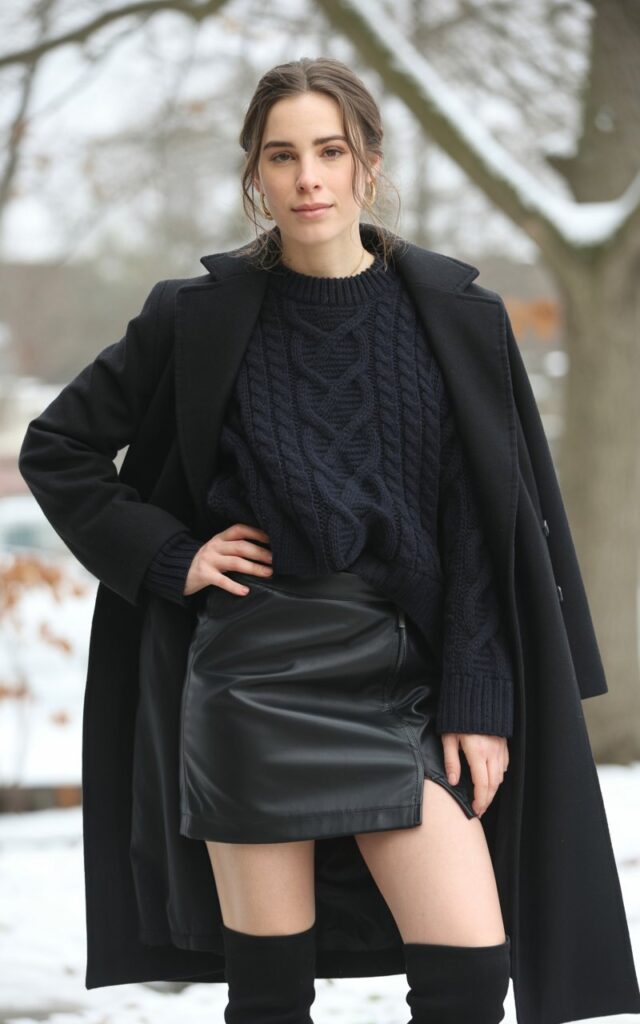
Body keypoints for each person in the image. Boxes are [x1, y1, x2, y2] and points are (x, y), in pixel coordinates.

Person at [18, 55, 640, 1024]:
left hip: (405, 684)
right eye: (281, 155)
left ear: (366, 165)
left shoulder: (455, 316)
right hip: (251, 683)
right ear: (254, 176)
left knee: (472, 978)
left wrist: (478, 696)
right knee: (270, 998)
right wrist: (173, 554)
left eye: (328, 150)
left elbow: (483, 526)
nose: (307, 176)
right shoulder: (196, 316)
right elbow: (58, 447)